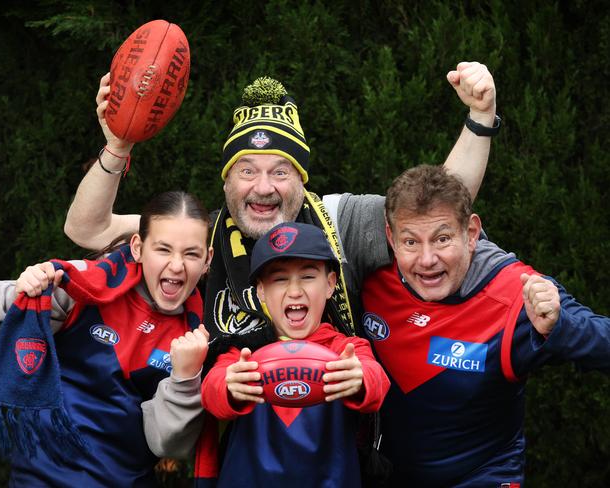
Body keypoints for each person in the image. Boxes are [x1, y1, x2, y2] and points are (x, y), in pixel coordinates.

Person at [63, 62, 499, 352]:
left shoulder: (339, 220)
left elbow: (441, 205)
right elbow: (88, 230)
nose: (264, 188)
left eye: (281, 171)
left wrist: (480, 118)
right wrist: (118, 145)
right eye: (247, 171)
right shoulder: (199, 238)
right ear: (227, 181)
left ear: (302, 179)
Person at [360, 165, 610, 487]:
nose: (426, 259)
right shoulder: (373, 279)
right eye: (411, 242)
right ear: (391, 239)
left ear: (472, 233)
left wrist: (562, 326)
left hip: (483, 476)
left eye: (442, 238)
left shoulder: (518, 293)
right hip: (390, 474)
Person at [0, 190, 213, 487]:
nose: (176, 265)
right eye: (163, 249)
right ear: (137, 248)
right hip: (38, 479)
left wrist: (185, 379)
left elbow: (168, 446)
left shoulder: (198, 337)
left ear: (207, 260)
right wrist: (24, 295)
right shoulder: (83, 284)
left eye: (191, 254)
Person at [201, 222, 390, 487]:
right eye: (279, 279)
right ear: (261, 291)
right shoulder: (243, 352)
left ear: (330, 284)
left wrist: (360, 379)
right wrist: (229, 385)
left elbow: (377, 381)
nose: (294, 291)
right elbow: (212, 391)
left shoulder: (346, 350)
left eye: (308, 276)